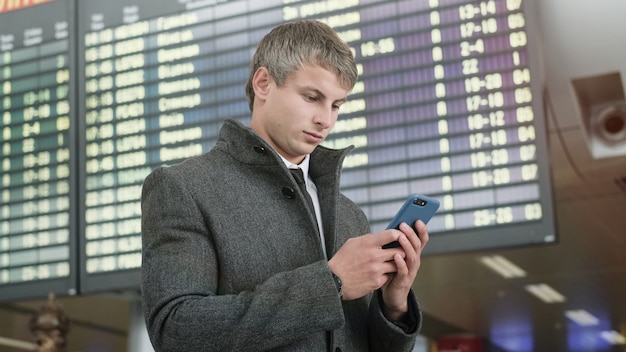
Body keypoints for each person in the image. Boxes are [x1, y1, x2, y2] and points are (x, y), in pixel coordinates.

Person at [140, 19, 430, 352]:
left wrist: (394, 307)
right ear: (263, 83)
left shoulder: (350, 216)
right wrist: (330, 284)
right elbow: (176, 330)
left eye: (336, 105)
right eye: (312, 97)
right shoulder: (185, 188)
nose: (326, 119)